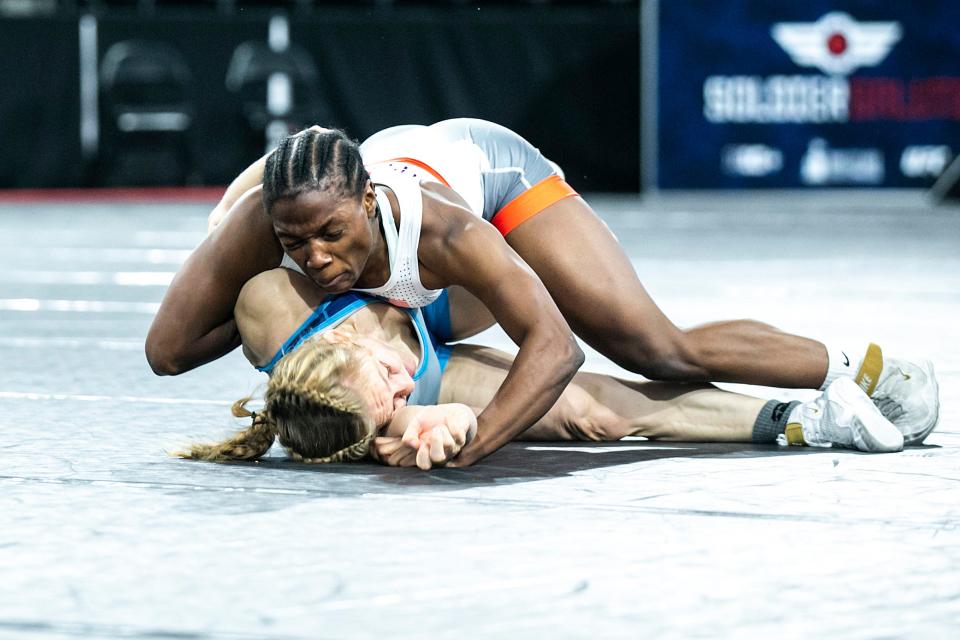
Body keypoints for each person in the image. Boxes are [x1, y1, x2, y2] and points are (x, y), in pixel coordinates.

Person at [149, 119, 938, 467]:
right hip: (413, 290)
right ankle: (801, 420)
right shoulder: (275, 218)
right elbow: (168, 353)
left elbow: (555, 347)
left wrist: (478, 442)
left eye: (331, 237)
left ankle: (862, 368)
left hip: (493, 182)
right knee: (290, 285)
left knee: (652, 346)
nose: (316, 259)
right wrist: (293, 329)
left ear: (364, 205)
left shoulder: (448, 233)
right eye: (296, 244)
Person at [175, 268, 905, 469]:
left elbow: (263, 196)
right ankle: (810, 418)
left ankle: (838, 361)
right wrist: (447, 426)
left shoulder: (272, 306)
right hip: (440, 320)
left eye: (387, 383)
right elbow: (419, 420)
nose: (400, 394)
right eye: (390, 409)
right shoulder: (359, 418)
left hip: (440, 255)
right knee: (596, 413)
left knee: (647, 340)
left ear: (337, 347)